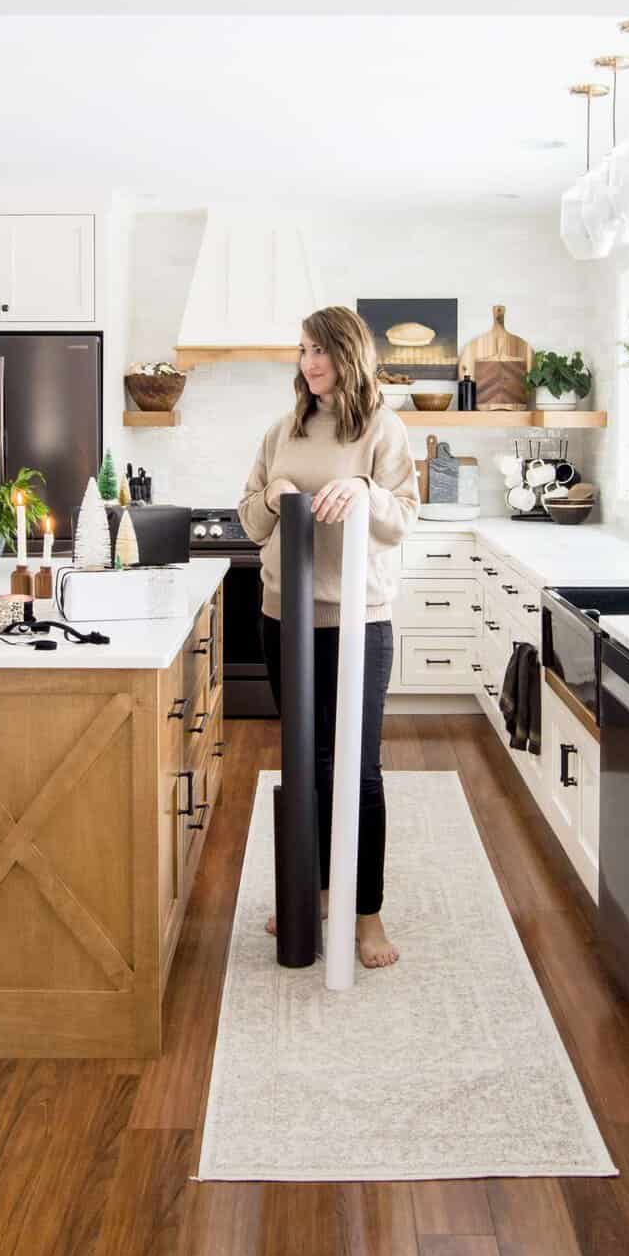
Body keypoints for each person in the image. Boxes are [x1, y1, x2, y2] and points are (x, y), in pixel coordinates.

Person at [238, 305, 420, 968]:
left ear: (352, 354)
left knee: (357, 768)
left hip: (358, 621)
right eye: (304, 350)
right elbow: (254, 520)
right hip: (283, 617)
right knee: (304, 764)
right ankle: (314, 892)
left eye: (323, 350)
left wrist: (362, 487)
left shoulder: (382, 429)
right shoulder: (282, 430)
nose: (310, 363)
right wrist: (277, 490)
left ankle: (366, 914)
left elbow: (401, 518)